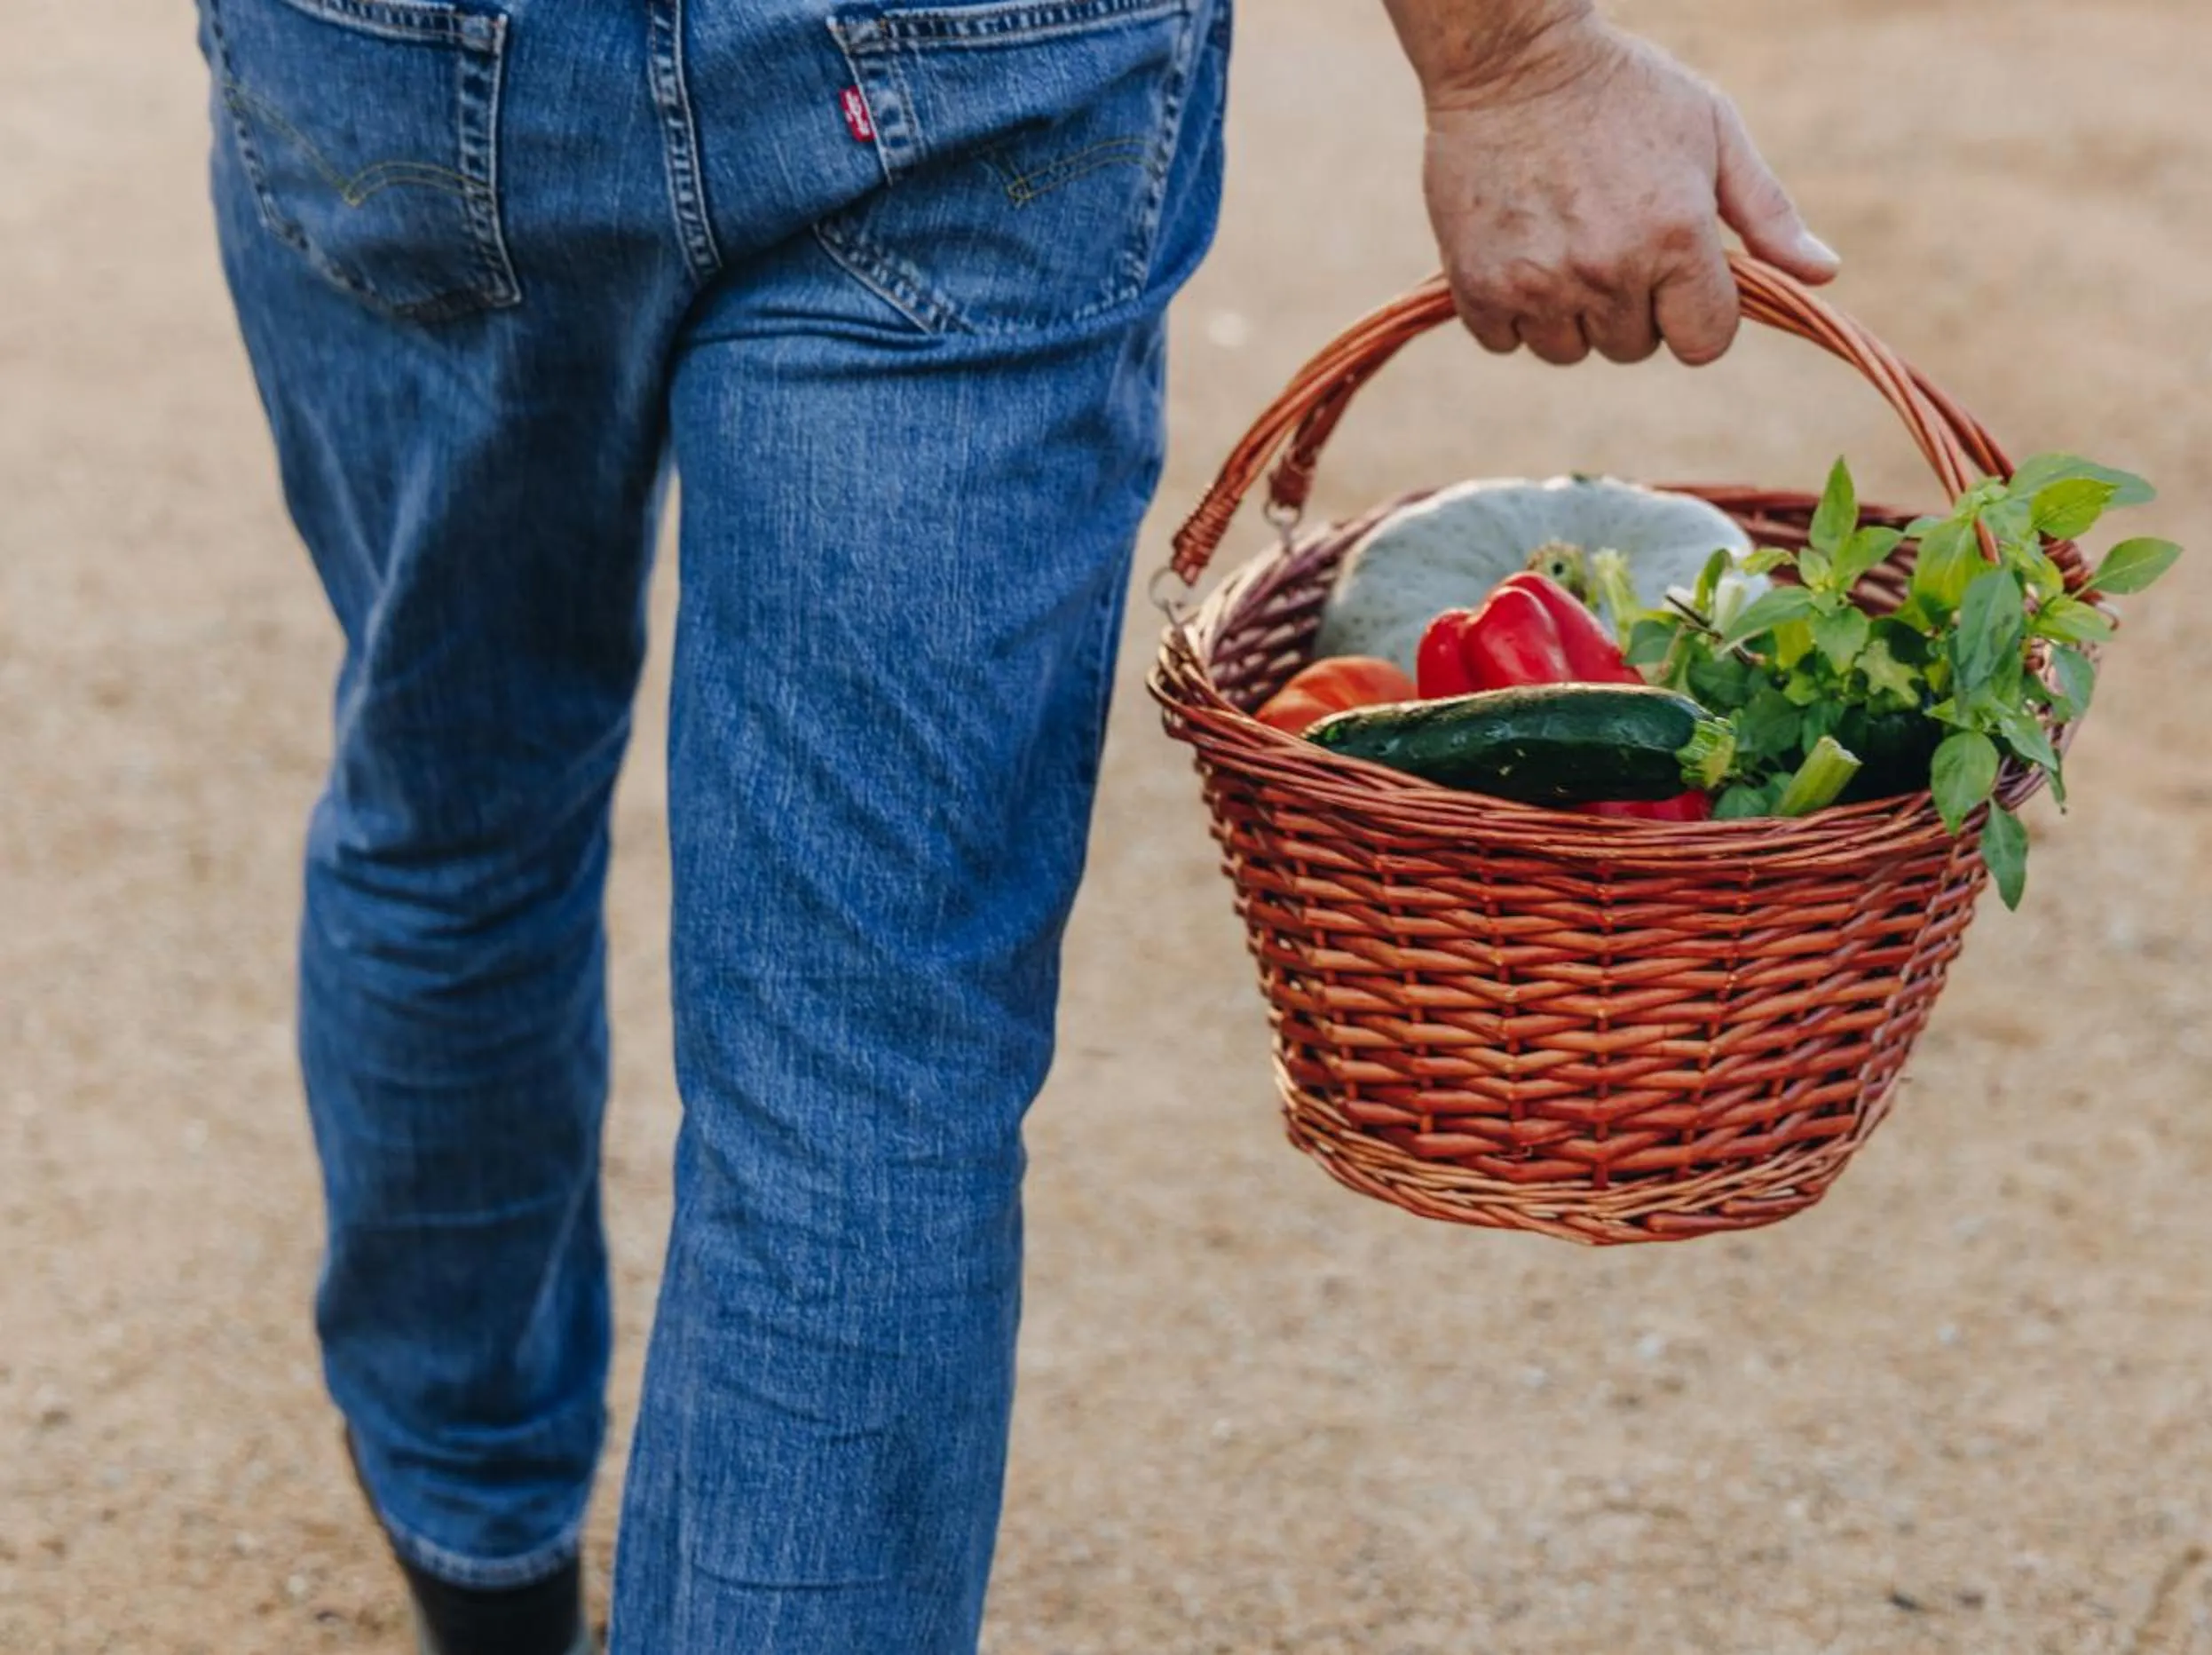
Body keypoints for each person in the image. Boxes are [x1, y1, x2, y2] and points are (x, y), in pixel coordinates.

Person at [193, 0, 1837, 1646]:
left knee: (456, 807)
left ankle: (477, 1561)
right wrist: (1508, 52)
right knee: (862, 1045)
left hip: (398, 47)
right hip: (960, 58)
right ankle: (488, 1550)